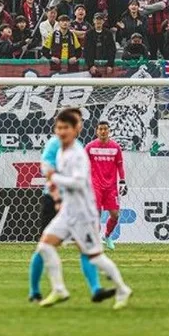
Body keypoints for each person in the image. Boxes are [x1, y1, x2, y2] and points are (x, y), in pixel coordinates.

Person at [35, 109, 132, 309]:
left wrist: (54, 177)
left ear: (74, 130)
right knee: (44, 246)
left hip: (83, 214)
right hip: (67, 210)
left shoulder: (78, 154)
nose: (61, 132)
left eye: (65, 128)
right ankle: (59, 289)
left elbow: (78, 182)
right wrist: (56, 192)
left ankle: (122, 288)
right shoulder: (62, 151)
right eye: (58, 127)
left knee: (95, 257)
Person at [85, 120, 126, 249]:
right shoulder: (90, 147)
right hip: (95, 185)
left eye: (105, 129)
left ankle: (107, 236)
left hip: (111, 187)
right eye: (100, 129)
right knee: (96, 214)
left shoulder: (115, 147)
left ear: (109, 131)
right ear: (97, 131)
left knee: (115, 214)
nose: (103, 131)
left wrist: (123, 181)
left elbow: (120, 165)